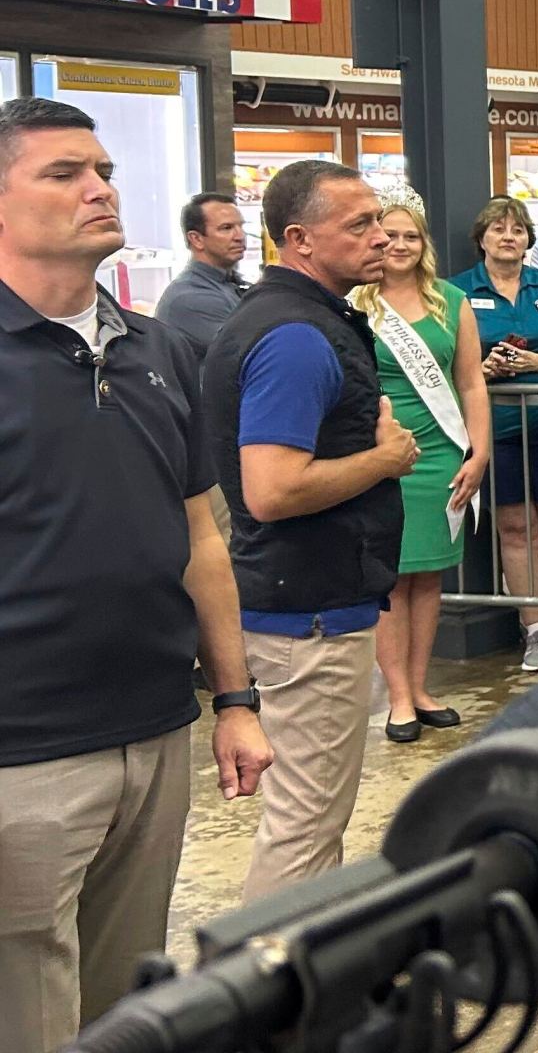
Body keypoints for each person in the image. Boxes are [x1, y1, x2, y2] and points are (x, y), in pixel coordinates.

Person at [0, 99, 271, 1051]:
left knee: (124, 1009)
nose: (99, 189)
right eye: (63, 172)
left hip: (154, 735)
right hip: (22, 751)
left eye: (105, 169)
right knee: (24, 1006)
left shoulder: (157, 349)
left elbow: (201, 535)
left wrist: (234, 696)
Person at [203, 159, 410, 901]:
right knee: (305, 826)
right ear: (299, 239)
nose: (381, 235)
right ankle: (277, 999)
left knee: (310, 821)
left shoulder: (307, 321)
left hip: (311, 604)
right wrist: (384, 458)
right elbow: (272, 489)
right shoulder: (294, 337)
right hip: (306, 618)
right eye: (358, 224)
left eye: (379, 219)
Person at [350, 194, 490, 742]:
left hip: (441, 453)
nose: (400, 245)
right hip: (382, 454)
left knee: (429, 575)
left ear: (423, 242)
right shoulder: (357, 303)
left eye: (411, 236)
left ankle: (421, 684)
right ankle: (398, 696)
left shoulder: (450, 301)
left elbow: (471, 380)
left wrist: (479, 452)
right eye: (390, 236)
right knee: (392, 578)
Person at [455, 198, 538, 672]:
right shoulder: (458, 292)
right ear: (482, 239)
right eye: (497, 229)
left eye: (516, 229)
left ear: (529, 239)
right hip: (498, 427)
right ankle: (535, 627)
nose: (508, 237)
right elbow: (451, 360)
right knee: (515, 528)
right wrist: (481, 370)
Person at [156, 191, 250, 359]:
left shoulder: (230, 283)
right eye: (227, 228)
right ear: (196, 239)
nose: (240, 236)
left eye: (241, 226)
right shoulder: (190, 298)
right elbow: (254, 353)